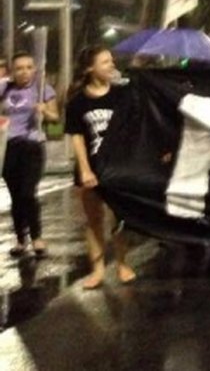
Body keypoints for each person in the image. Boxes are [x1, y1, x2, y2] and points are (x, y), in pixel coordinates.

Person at [65, 45, 135, 289]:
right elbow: (77, 137)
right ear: (90, 68)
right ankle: (97, 270)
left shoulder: (122, 95)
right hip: (91, 168)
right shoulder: (77, 101)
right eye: (105, 62)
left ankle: (123, 264)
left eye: (112, 61)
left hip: (118, 168)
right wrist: (84, 169)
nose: (112, 65)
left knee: (118, 220)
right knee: (94, 221)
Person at [2, 52, 60, 257]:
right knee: (16, 196)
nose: (24, 72)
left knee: (27, 192)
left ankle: (37, 237)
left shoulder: (42, 88)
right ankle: (20, 240)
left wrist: (44, 110)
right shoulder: (4, 88)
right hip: (8, 147)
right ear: (12, 71)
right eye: (19, 68)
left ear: (34, 69)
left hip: (32, 146)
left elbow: (56, 118)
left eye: (28, 67)